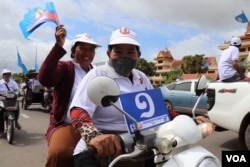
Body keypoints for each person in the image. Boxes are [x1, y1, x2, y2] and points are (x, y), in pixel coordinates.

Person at [70, 27, 212, 167]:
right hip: (98, 150)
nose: (124, 56)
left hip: (140, 146)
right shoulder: (97, 75)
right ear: (108, 53)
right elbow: (78, 110)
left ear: (138, 55)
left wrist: (187, 120)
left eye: (130, 52)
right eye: (118, 51)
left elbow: (158, 109)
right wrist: (94, 136)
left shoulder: (141, 77)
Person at [38, 24, 101, 167]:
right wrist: (58, 46)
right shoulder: (65, 67)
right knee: (59, 153)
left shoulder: (97, 72)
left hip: (96, 125)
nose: (87, 52)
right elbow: (45, 78)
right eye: (82, 48)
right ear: (73, 51)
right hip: (67, 125)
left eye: (91, 49)